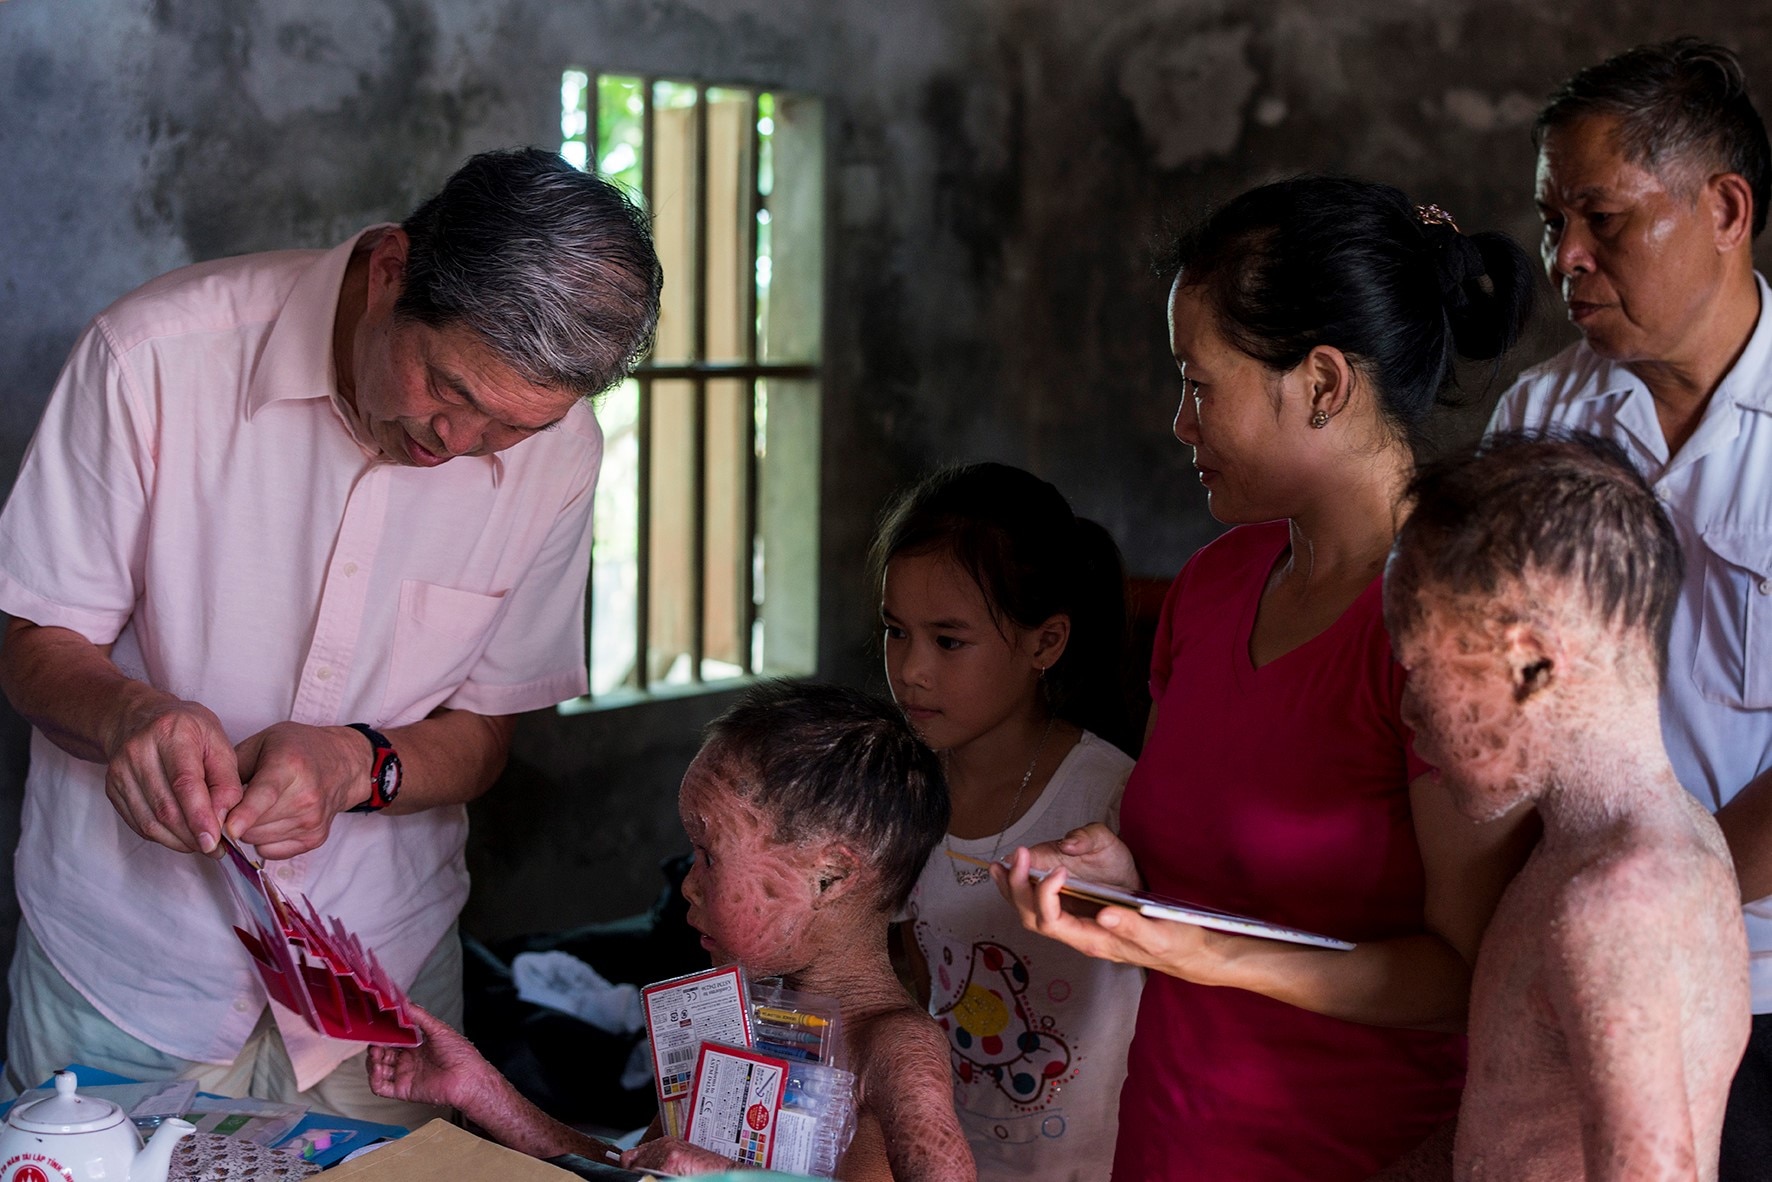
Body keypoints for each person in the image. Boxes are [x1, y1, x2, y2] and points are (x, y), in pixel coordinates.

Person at [0, 147, 662, 1123]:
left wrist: (359, 765)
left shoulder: (559, 450)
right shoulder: (153, 357)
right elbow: (30, 639)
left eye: (511, 428)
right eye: (447, 387)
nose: (459, 444)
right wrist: (128, 717)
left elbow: (482, 734)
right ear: (390, 266)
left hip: (380, 985)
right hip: (127, 972)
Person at [999, 176, 1540, 1181]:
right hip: (1167, 1137)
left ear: (1324, 384)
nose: (1178, 422)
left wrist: (1190, 954)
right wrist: (1122, 883)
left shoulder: (1447, 630)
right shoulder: (1213, 587)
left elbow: (1462, 972)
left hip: (1357, 1153)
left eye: (1199, 385)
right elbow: (1206, 864)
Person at [1487, 38, 1772, 1177]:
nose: (1566, 256)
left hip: (1756, 978)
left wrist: (1657, 890)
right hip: (1562, 960)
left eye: (1602, 219)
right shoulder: (1537, 417)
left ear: (1724, 207)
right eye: (1553, 219)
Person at [368, 680, 977, 1182]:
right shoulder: (723, 1015)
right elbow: (634, 1172)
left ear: (831, 874)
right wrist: (478, 1088)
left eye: (709, 855)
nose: (686, 884)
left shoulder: (894, 1047)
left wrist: (736, 1180)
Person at [1377, 431, 1750, 1180]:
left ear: (1533, 663)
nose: (1408, 708)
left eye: (1419, 667)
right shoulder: (1613, 852)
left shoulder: (1615, 909)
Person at [872, 462, 1143, 1180]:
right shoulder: (903, 796)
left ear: (1044, 644)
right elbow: (917, 981)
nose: (912, 671)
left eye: (948, 641)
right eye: (896, 632)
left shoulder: (1107, 800)